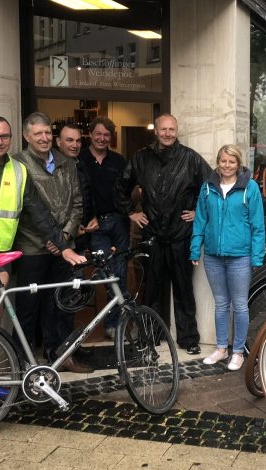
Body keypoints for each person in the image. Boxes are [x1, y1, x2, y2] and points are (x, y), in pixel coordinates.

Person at [0, 115, 86, 376]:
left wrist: (63, 246)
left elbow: (38, 213)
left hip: (0, 248)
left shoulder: (17, 170)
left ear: (11, 138)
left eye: (4, 136)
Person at [116, 113, 210, 355]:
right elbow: (120, 188)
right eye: (163, 129)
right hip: (153, 236)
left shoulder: (190, 158)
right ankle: (151, 337)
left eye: (172, 129)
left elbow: (212, 187)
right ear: (155, 131)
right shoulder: (141, 158)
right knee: (152, 291)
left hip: (181, 235)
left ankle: (188, 339)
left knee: (183, 290)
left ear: (177, 131)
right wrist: (131, 213)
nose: (168, 133)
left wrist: (198, 211)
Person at [12, 112, 91, 373]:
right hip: (32, 248)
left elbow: (77, 203)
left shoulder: (66, 162)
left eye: (47, 132)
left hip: (63, 248)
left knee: (61, 305)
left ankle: (61, 356)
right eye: (38, 134)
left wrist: (65, 238)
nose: (45, 138)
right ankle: (22, 363)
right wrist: (51, 240)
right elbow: (22, 209)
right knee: (28, 308)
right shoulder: (18, 164)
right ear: (26, 137)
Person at [190, 145, 265, 371]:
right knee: (221, 304)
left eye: (231, 162)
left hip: (240, 256)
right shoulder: (207, 187)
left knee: (240, 305)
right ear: (218, 162)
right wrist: (195, 249)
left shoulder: (249, 187)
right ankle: (222, 348)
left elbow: (258, 225)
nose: (227, 165)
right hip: (213, 256)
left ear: (238, 163)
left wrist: (257, 257)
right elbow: (200, 220)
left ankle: (238, 352)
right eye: (223, 161)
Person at [78, 116, 128, 339]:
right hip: (94, 225)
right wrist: (88, 218)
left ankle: (115, 324)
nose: (102, 138)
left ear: (111, 137)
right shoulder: (79, 159)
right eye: (98, 133)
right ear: (90, 134)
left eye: (106, 135)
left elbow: (128, 189)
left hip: (118, 221)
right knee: (107, 273)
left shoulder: (119, 161)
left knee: (121, 273)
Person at [56, 123, 98, 251]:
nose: (75, 145)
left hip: (81, 236)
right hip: (59, 239)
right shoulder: (51, 167)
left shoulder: (81, 164)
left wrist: (94, 218)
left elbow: (87, 195)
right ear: (58, 142)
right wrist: (71, 230)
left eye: (78, 141)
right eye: (69, 140)